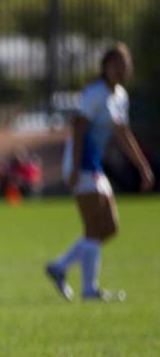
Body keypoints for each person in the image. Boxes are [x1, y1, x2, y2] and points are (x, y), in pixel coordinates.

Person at [45, 43, 154, 301]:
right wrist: (73, 167)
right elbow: (79, 129)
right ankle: (89, 288)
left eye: (124, 63)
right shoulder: (94, 94)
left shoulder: (120, 97)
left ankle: (60, 267)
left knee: (109, 227)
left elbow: (123, 134)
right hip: (82, 163)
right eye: (115, 63)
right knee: (95, 225)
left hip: (94, 165)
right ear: (105, 66)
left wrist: (143, 167)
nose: (120, 68)